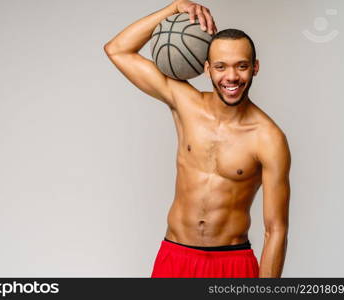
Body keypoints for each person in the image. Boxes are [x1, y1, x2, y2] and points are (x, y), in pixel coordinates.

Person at [104, 0, 290, 278]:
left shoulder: (269, 138)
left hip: (232, 262)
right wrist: (174, 8)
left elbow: (275, 229)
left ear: (255, 68)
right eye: (221, 66)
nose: (231, 76)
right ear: (207, 68)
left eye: (241, 66)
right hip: (175, 256)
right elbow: (117, 49)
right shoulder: (185, 103)